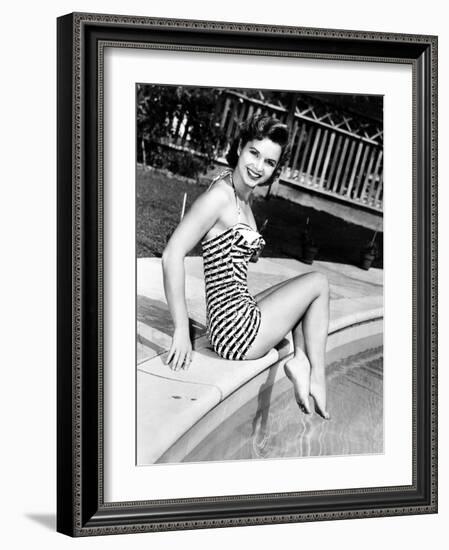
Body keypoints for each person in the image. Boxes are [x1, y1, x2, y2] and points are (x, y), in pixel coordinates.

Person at [162, 114, 330, 419]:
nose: (258, 166)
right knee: (318, 283)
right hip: (237, 334)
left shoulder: (240, 196)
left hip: (234, 318)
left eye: (268, 162)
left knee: (304, 295)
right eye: (254, 153)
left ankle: (301, 359)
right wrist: (180, 329)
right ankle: (315, 374)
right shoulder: (220, 197)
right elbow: (172, 253)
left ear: (275, 168)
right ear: (240, 147)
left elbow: (229, 249)